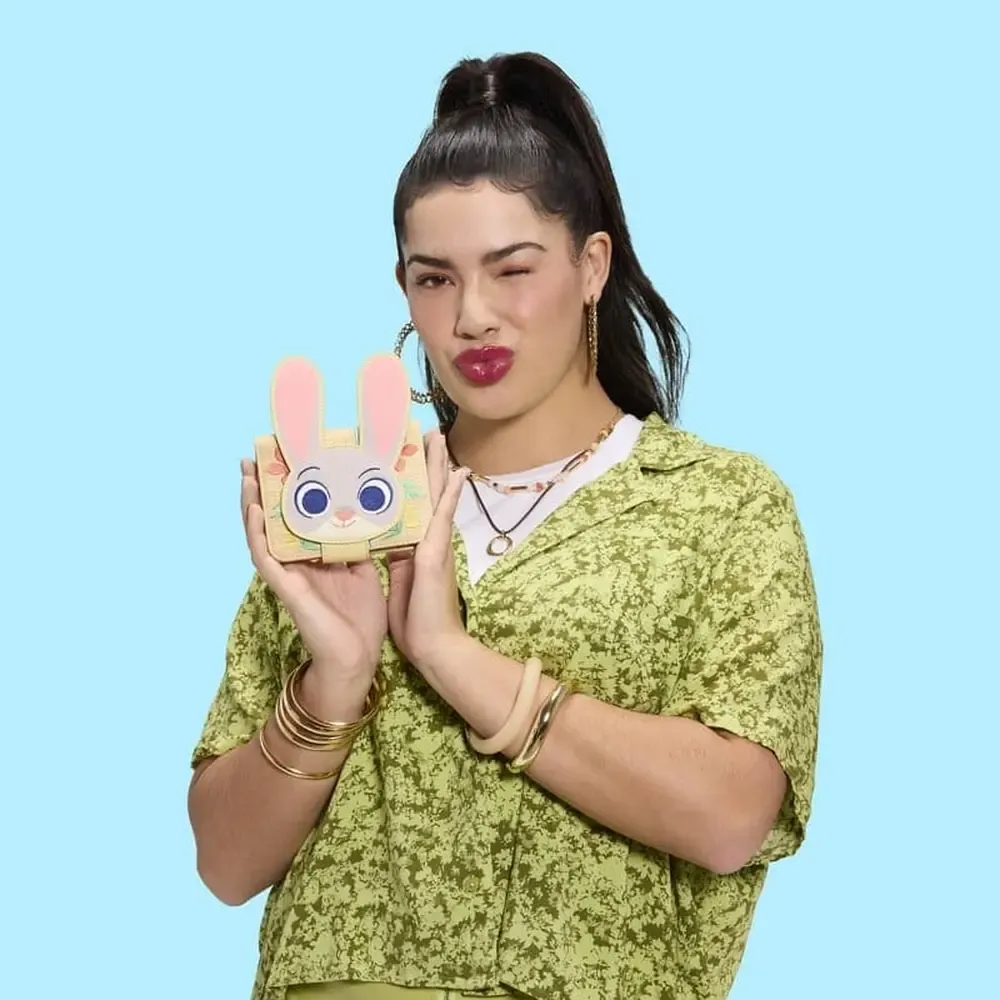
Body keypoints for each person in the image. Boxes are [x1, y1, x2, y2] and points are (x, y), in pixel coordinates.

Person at [188, 51, 822, 1000]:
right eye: (434, 280)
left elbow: (732, 815)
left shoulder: (719, 507)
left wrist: (449, 656)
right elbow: (226, 864)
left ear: (591, 266)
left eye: (512, 270)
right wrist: (337, 682)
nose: (472, 316)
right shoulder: (346, 508)